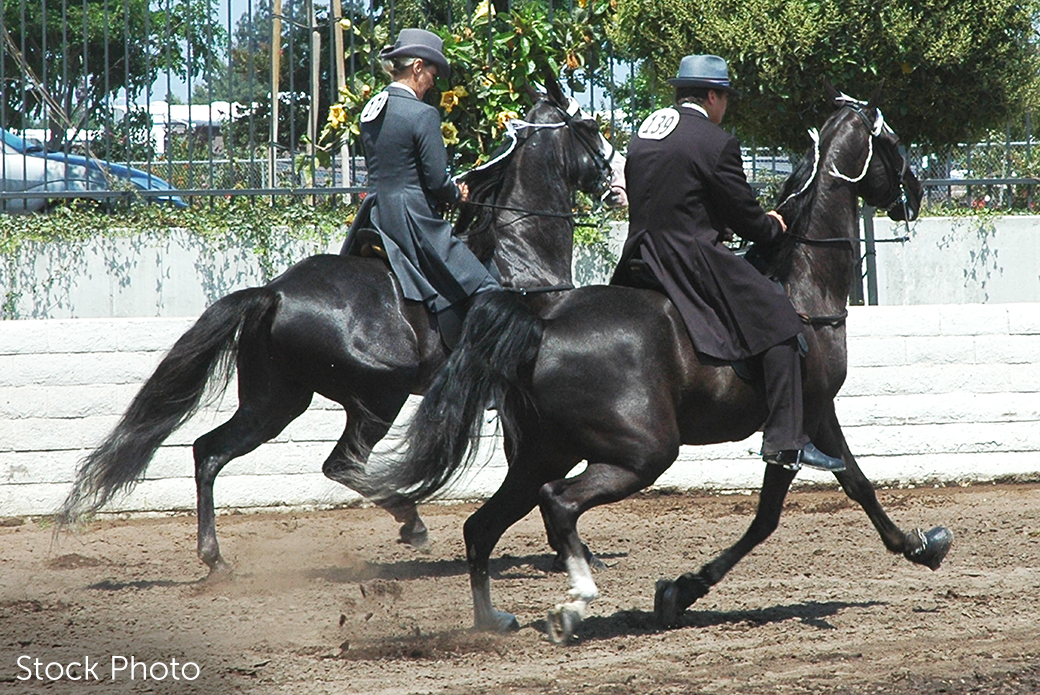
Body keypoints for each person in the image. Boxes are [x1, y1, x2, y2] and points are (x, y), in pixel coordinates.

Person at [610, 54, 845, 473]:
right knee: (781, 318)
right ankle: (785, 440)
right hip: (690, 258)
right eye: (726, 98)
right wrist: (772, 227)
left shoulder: (645, 134)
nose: (726, 107)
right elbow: (743, 214)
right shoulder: (715, 142)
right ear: (714, 95)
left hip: (639, 255)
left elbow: (677, 196)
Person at [345, 28, 499, 347]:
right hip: (412, 217)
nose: (433, 82)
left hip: (375, 214)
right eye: (432, 72)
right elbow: (436, 181)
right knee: (487, 288)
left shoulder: (371, 110)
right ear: (417, 67)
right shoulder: (422, 114)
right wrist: (457, 194)